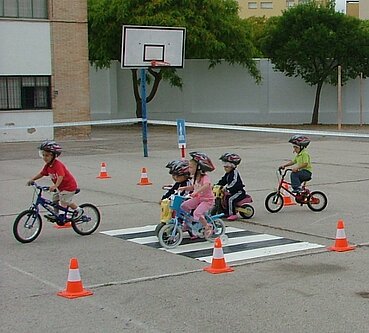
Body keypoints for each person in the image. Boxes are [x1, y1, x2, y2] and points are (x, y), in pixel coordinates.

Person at [27, 140, 84, 220]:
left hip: (69, 186)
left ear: (53, 156)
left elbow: (61, 176)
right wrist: (32, 179)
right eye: (43, 155)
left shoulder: (58, 165)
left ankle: (78, 210)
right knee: (55, 199)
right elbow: (42, 173)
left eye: (47, 156)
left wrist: (55, 185)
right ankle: (56, 214)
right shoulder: (48, 165)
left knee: (64, 201)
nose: (44, 158)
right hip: (60, 188)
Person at [178, 151, 215, 238]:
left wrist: (196, 192)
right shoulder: (195, 178)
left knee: (197, 213)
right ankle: (187, 223)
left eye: (191, 167)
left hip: (207, 200)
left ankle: (207, 227)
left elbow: (207, 185)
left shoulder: (204, 177)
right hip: (198, 199)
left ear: (198, 168)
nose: (189, 169)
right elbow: (193, 187)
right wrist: (184, 188)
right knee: (184, 206)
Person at [217, 153, 247, 221]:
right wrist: (218, 185)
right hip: (232, 191)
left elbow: (234, 182)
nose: (225, 169)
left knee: (230, 199)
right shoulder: (228, 174)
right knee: (223, 197)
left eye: (227, 167)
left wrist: (227, 188)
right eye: (224, 167)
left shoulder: (234, 173)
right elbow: (223, 180)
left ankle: (232, 214)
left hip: (238, 192)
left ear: (232, 166)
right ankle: (224, 211)